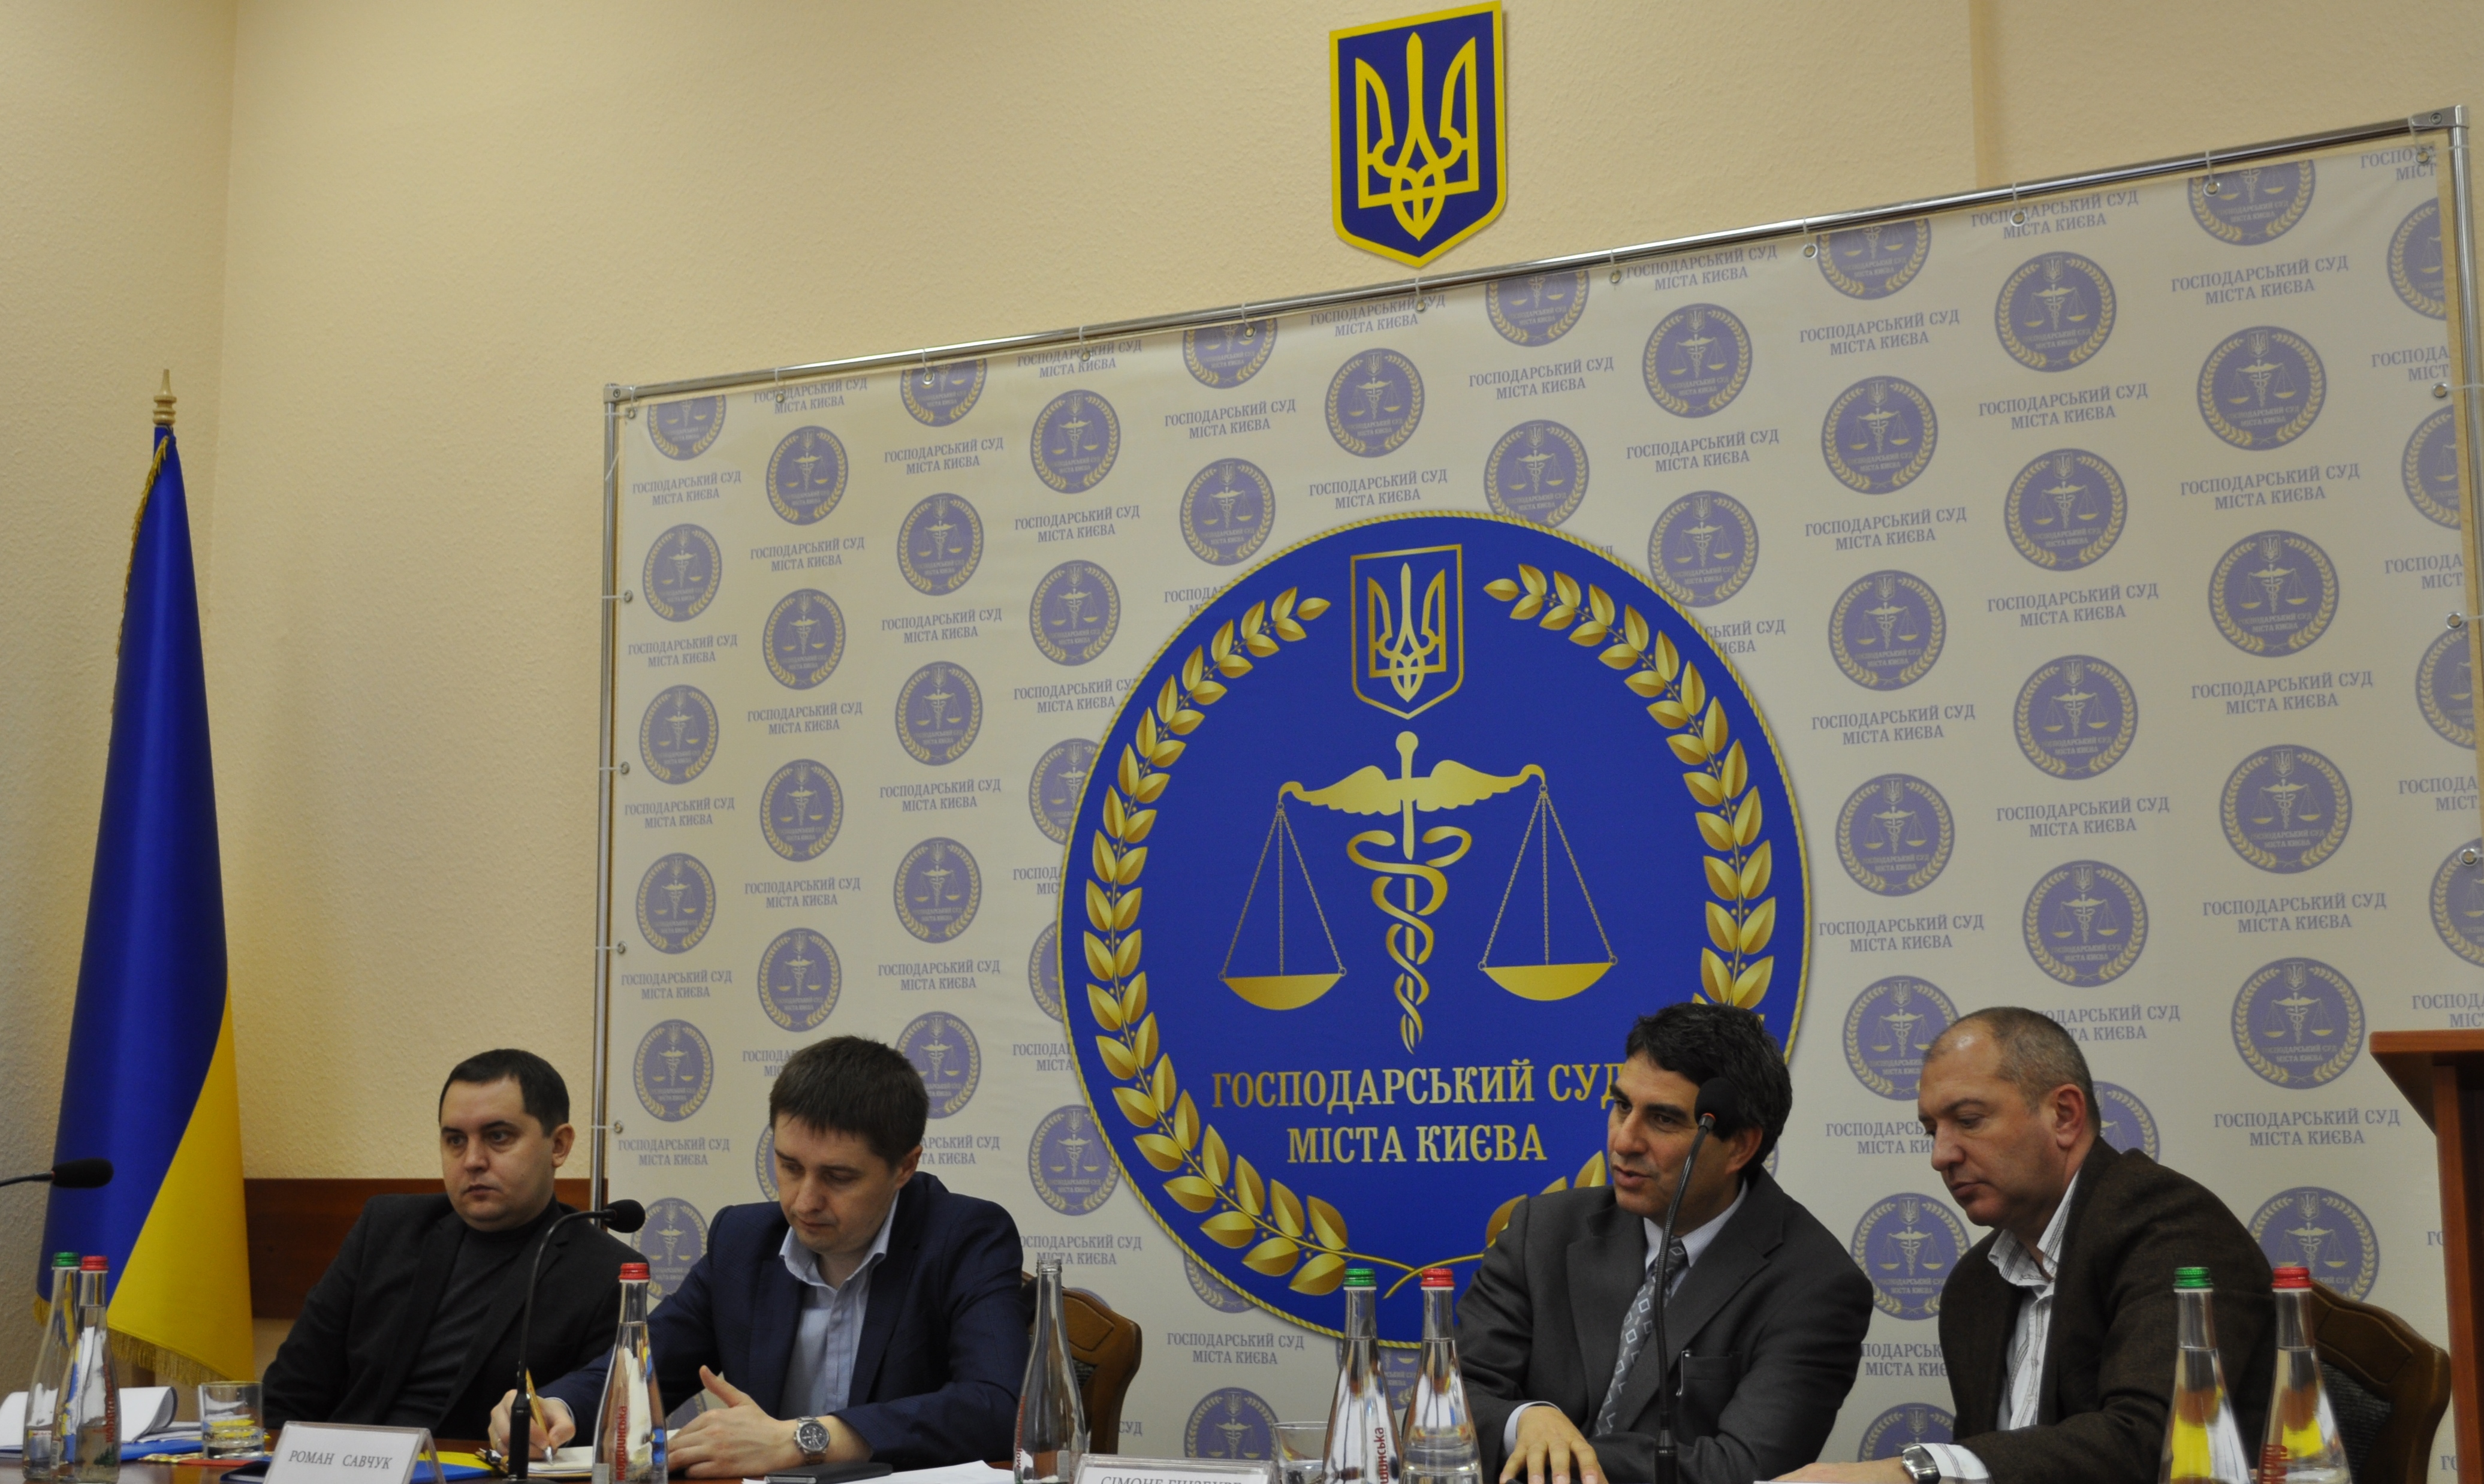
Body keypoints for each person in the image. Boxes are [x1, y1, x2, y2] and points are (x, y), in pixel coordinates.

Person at [1775, 1008, 2274, 1484]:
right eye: (1931, 1131)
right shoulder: (1975, 1285)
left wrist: (1913, 1471)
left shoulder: (2173, 1229)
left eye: (1968, 1120)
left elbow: (2153, 1444)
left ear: (2064, 1115)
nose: (1940, 1155)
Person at [502, 1035, 1026, 1475]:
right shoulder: (744, 1239)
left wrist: (805, 1439)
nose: (804, 1201)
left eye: (839, 1177)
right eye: (790, 1166)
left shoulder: (964, 1237)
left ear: (905, 1167)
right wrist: (554, 1408)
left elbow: (999, 1406)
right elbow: (647, 1366)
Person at [1457, 1002, 1874, 1484]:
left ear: (1740, 1146)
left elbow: (1745, 1470)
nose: (1624, 1141)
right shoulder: (1543, 1232)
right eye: (1622, 1107)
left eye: (1663, 1120)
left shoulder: (1814, 1285)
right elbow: (1451, 1398)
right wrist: (1525, 1421)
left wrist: (1565, 1454)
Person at [263, 1049, 634, 1441]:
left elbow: (592, 1430)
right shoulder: (386, 1230)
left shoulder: (606, 1274)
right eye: (455, 1140)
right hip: (351, 1461)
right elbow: (291, 1390)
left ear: (558, 1145)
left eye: (498, 1137)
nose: (472, 1160)